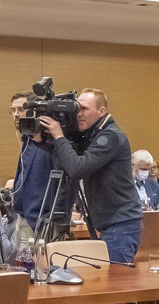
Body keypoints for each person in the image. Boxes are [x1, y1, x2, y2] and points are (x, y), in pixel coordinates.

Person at [36, 88, 142, 264]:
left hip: (121, 225)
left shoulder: (110, 136)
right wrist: (40, 140)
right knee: (108, 277)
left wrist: (59, 136)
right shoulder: (92, 134)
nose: (79, 114)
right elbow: (68, 158)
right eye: (77, 109)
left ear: (101, 111)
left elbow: (77, 168)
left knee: (115, 278)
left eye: (84, 109)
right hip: (113, 224)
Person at [8, 91, 54, 230]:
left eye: (21, 109)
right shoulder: (27, 140)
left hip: (41, 221)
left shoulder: (47, 142)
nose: (16, 114)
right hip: (22, 216)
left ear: (35, 111)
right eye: (13, 110)